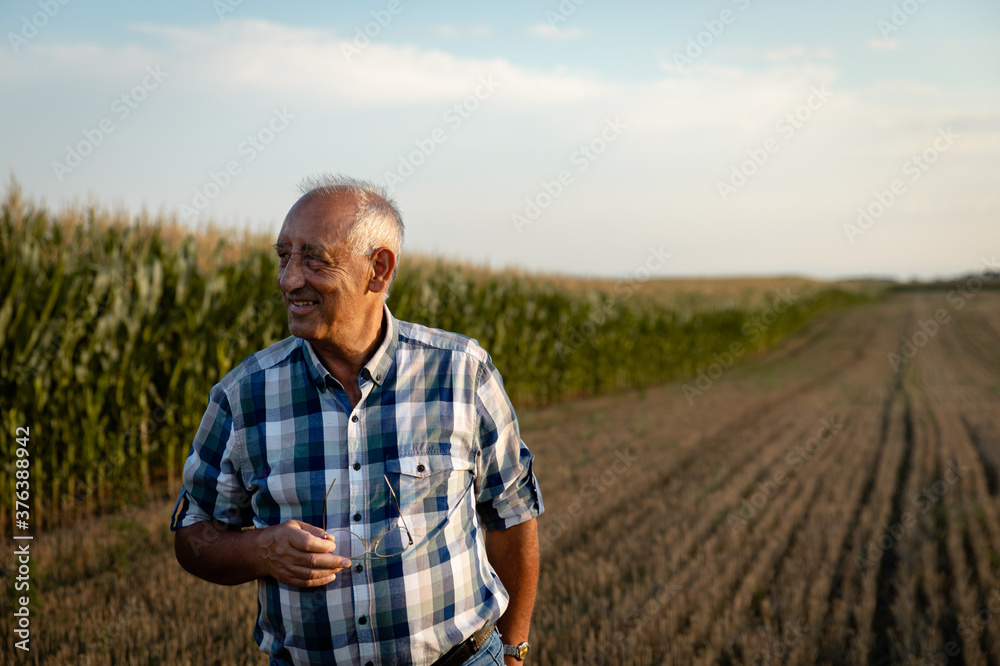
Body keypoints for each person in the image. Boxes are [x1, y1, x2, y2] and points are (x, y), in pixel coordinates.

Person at [171, 175, 543, 666]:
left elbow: (511, 512)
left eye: (314, 259)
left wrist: (513, 650)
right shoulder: (244, 396)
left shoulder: (460, 372)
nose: (288, 279)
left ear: (379, 270)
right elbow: (192, 533)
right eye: (284, 256)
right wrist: (261, 550)